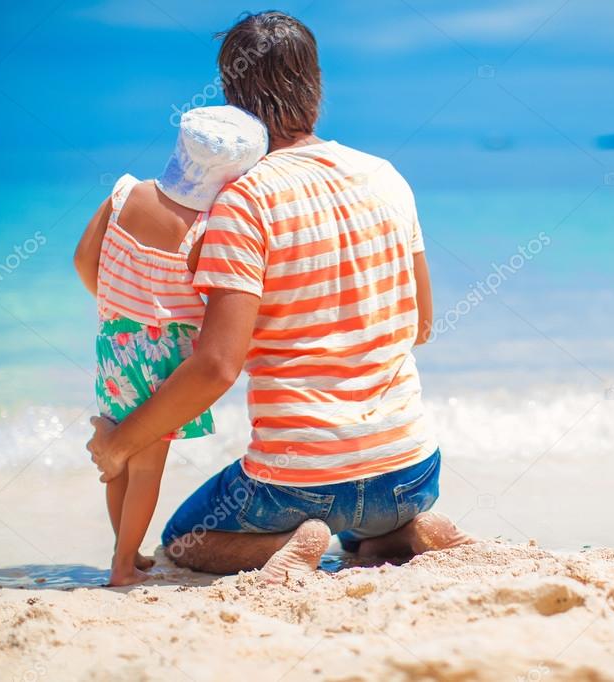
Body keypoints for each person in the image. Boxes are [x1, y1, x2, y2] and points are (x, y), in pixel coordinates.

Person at [87, 10, 472, 583]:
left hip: (300, 480)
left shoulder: (244, 201)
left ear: (231, 99)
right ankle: (400, 531)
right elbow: (420, 324)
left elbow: (217, 366)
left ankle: (291, 542)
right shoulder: (388, 177)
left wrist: (121, 442)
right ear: (316, 84)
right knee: (366, 509)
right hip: (411, 473)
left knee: (183, 540)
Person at [74, 106, 268, 585]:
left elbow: (83, 260)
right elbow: (211, 301)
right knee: (146, 464)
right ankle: (123, 567)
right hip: (166, 354)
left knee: (119, 453)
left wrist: (118, 307)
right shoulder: (205, 230)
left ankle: (127, 550)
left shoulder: (123, 195)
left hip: (113, 340)